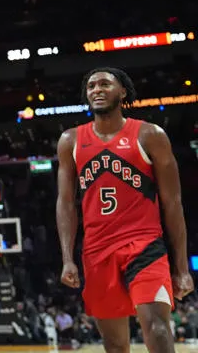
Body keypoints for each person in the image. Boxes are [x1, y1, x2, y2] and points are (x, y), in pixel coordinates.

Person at [56, 67, 194, 353]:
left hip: (144, 245)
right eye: (91, 85)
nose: (96, 89)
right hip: (97, 251)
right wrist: (67, 259)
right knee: (115, 345)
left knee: (156, 327)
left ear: (123, 92)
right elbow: (66, 202)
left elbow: (173, 202)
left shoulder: (150, 135)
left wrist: (181, 267)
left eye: (105, 84)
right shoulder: (71, 141)